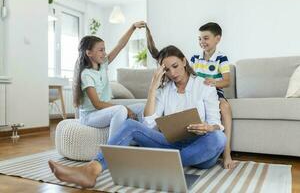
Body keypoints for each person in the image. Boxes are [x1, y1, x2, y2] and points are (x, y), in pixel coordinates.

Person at [49, 45, 226, 188]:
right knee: (130, 126)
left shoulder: (204, 87)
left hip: (200, 149)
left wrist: (209, 128)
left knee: (218, 138)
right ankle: (91, 170)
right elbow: (149, 124)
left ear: (184, 61)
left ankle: (164, 163)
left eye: (175, 66)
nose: (172, 73)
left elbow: (216, 124)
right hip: (170, 144)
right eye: (167, 69)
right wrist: (152, 89)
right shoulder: (164, 91)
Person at [146, 23, 236, 169]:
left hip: (213, 87)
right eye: (199, 39)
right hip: (198, 90)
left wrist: (212, 83)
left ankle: (227, 154)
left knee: (223, 112)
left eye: (205, 38)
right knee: (134, 120)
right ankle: (180, 158)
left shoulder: (221, 58)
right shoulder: (195, 58)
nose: (202, 42)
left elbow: (226, 81)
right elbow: (191, 74)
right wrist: (153, 89)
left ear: (217, 39)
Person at [73, 21, 146, 141]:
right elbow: (97, 104)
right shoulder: (86, 74)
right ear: (89, 53)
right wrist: (124, 108)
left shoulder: (103, 65)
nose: (105, 53)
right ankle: (112, 147)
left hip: (103, 112)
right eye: (101, 50)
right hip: (90, 116)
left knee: (142, 107)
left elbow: (120, 45)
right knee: (121, 109)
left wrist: (132, 27)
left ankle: (139, 141)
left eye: (104, 49)